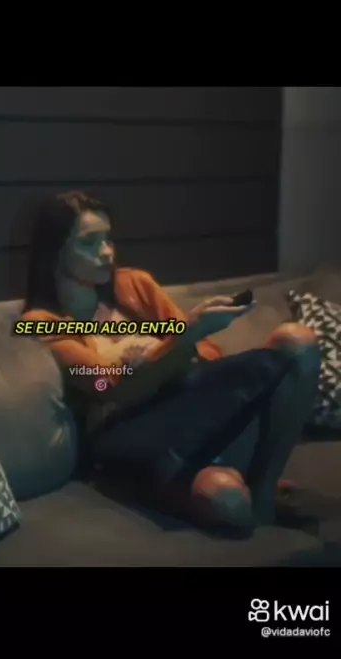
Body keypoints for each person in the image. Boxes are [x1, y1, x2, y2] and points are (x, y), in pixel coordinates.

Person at [21, 191, 321, 534]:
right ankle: (232, 477)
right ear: (54, 252)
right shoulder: (42, 321)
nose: (106, 252)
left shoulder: (134, 286)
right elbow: (104, 386)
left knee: (297, 341)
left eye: (108, 239)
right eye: (89, 242)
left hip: (191, 402)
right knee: (229, 501)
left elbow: (205, 351)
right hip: (133, 434)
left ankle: (264, 491)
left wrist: (177, 345)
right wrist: (177, 343)